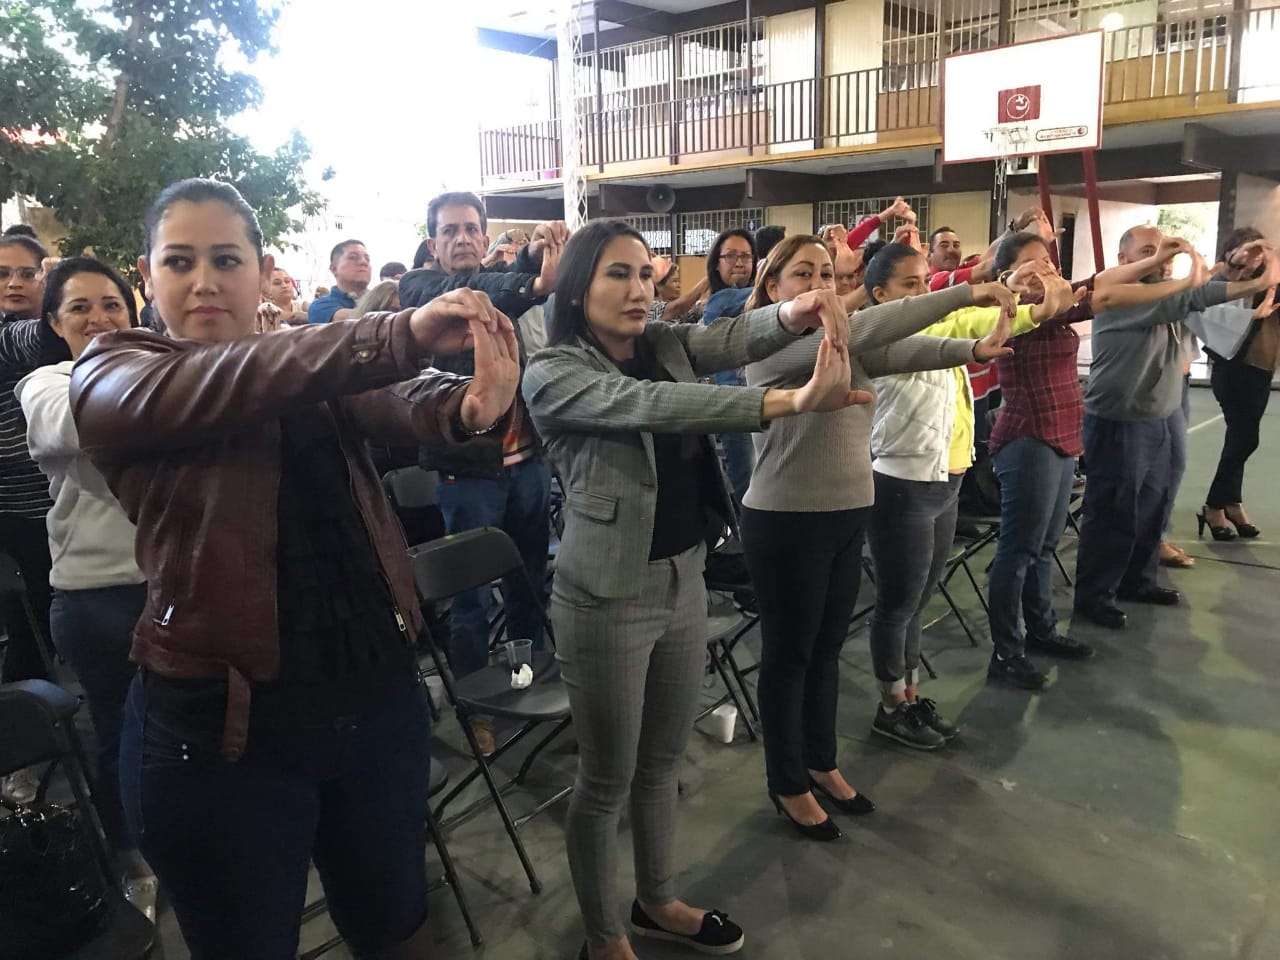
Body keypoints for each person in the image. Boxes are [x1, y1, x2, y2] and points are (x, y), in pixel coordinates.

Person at [71, 177, 520, 958]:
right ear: (147, 275)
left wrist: (467, 407)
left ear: (261, 269)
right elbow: (246, 377)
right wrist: (399, 329)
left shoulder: (305, 362)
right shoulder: (116, 372)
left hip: (377, 696)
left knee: (401, 927)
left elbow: (391, 396)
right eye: (179, 261)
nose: (204, 281)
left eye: (225, 259)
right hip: (223, 733)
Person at [523, 219, 869, 960]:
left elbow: (735, 338)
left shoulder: (663, 343)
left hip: (684, 577)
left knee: (662, 762)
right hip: (607, 596)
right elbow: (651, 406)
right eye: (618, 274)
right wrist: (786, 404)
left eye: (645, 274)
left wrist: (797, 309)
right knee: (606, 779)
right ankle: (603, 938)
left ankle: (657, 901)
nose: (638, 289)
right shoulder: (553, 370)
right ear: (578, 286)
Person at [739, 234, 1020, 836]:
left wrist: (974, 347)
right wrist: (963, 293)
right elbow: (872, 329)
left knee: (825, 652)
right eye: (802, 274)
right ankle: (787, 781)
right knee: (789, 657)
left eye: (825, 273)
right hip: (787, 517)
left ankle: (821, 762)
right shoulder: (768, 345)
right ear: (772, 288)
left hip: (846, 511)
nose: (818, 284)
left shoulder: (849, 337)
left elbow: (904, 349)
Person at [862, 242, 1076, 748]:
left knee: (919, 600)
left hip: (946, 480)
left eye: (924, 282)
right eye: (909, 285)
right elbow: (957, 331)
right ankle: (890, 705)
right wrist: (1014, 308)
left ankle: (909, 696)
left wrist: (1017, 302)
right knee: (898, 603)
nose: (922, 292)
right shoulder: (880, 335)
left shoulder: (934, 321)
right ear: (880, 294)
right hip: (902, 484)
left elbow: (966, 325)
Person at [983, 231, 1202, 687]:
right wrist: (1181, 283)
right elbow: (1101, 292)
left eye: (1047, 261)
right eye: (1031, 263)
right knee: (1018, 550)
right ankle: (1006, 652)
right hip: (1028, 438)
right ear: (1006, 275)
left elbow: (1099, 283)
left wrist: (1156, 263)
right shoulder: (1011, 310)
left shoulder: (1058, 301)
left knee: (1045, 546)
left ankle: (1041, 630)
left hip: (1063, 438)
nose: (1045, 269)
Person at [15, 257, 159, 918]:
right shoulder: (47, 383)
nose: (99, 318)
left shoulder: (163, 371)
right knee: (122, 736)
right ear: (54, 321)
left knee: (195, 730)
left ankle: (190, 843)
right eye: (80, 307)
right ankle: (132, 859)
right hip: (98, 595)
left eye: (112, 305)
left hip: (176, 584)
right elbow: (85, 422)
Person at [398, 191, 564, 756]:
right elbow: (476, 291)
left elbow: (498, 285)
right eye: (450, 230)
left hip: (529, 464)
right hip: (467, 474)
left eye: (471, 228)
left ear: (484, 234)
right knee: (469, 597)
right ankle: (474, 706)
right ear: (433, 242)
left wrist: (535, 259)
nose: (462, 238)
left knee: (528, 583)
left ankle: (525, 681)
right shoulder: (420, 290)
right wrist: (532, 278)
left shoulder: (502, 281)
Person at [1073, 225, 1277, 629]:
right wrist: (1253, 282)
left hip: (1160, 414)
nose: (1163, 259)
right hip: (1121, 420)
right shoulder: (1122, 297)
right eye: (1150, 251)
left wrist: (1232, 267)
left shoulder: (1161, 294)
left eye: (1167, 251)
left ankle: (1137, 580)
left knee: (1153, 505)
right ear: (1123, 261)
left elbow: (1194, 296)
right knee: (1113, 512)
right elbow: (1191, 297)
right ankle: (1095, 596)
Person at [1200, 228, 1278, 540]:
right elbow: (1213, 311)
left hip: (1262, 366)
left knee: (1241, 436)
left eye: (1258, 254)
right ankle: (1214, 505)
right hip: (1234, 367)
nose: (1253, 259)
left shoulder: (1267, 279)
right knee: (1245, 438)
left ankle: (1232, 503)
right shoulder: (1223, 278)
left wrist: (1270, 259)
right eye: (1248, 251)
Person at [701, 228, 759, 503]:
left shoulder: (760, 298)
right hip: (733, 405)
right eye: (731, 256)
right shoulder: (719, 301)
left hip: (760, 397)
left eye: (746, 256)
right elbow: (768, 295)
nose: (739, 263)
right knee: (747, 483)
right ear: (717, 263)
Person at [307, 239, 371, 323]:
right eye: (353, 257)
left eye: (367, 259)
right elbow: (357, 320)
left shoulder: (382, 299)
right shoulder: (320, 306)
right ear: (334, 268)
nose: (364, 262)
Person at [648, 257, 707, 323]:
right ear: (659, 286)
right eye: (674, 281)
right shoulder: (650, 309)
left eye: (678, 281)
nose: (678, 285)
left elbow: (695, 310)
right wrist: (705, 282)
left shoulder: (683, 310)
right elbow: (677, 307)